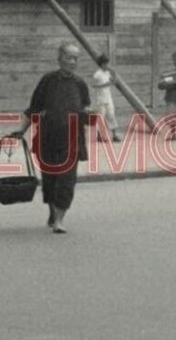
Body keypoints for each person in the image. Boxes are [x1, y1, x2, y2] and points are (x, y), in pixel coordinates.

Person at [15, 43, 90, 234]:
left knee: (66, 179)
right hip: (47, 138)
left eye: (76, 58)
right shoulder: (47, 81)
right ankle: (52, 209)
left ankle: (59, 220)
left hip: (72, 141)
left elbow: (85, 110)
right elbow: (34, 109)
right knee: (50, 179)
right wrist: (20, 130)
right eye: (69, 57)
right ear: (59, 58)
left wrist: (93, 119)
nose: (73, 62)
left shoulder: (80, 84)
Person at [89, 53, 120, 142]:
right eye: (106, 63)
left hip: (108, 97)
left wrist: (113, 73)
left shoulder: (107, 73)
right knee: (101, 117)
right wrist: (103, 85)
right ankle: (99, 136)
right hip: (100, 99)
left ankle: (114, 135)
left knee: (111, 115)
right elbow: (93, 85)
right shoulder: (97, 74)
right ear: (102, 64)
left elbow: (113, 81)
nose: (107, 65)